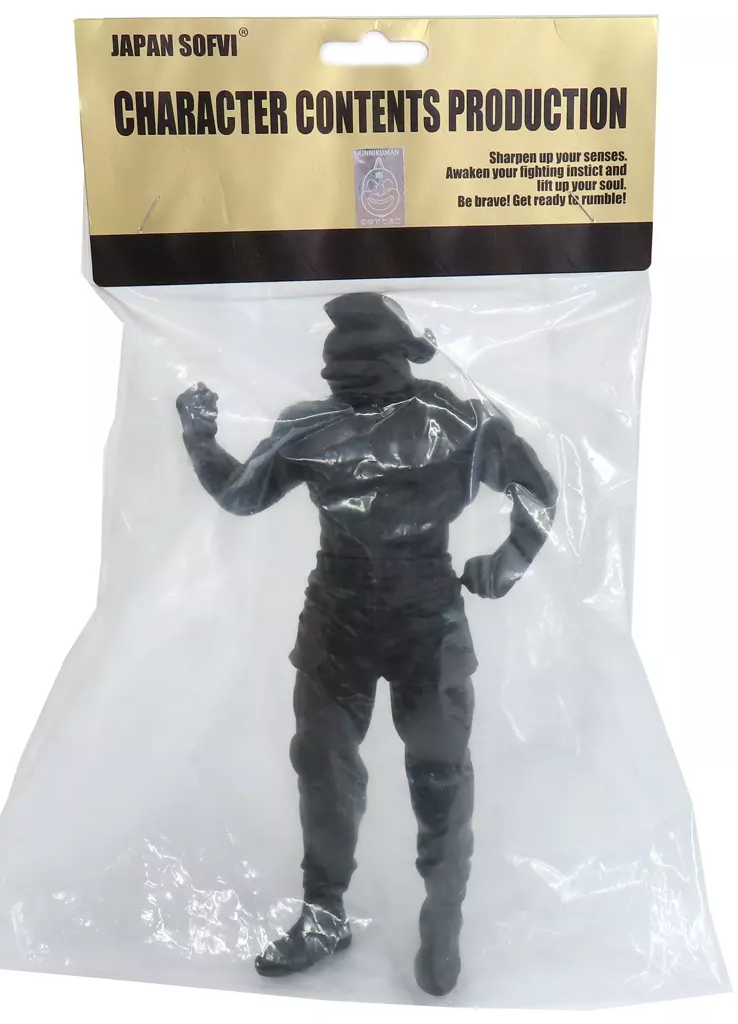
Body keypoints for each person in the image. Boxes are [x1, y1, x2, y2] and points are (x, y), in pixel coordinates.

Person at [176, 293, 557, 996]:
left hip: (420, 616)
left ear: (395, 358)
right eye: (338, 361)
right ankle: (327, 914)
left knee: (436, 773)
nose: (341, 371)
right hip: (345, 617)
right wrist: (200, 438)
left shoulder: (455, 422)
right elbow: (242, 495)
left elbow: (539, 490)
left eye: (356, 359)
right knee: (328, 767)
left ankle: (441, 920)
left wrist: (505, 564)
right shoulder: (325, 425)